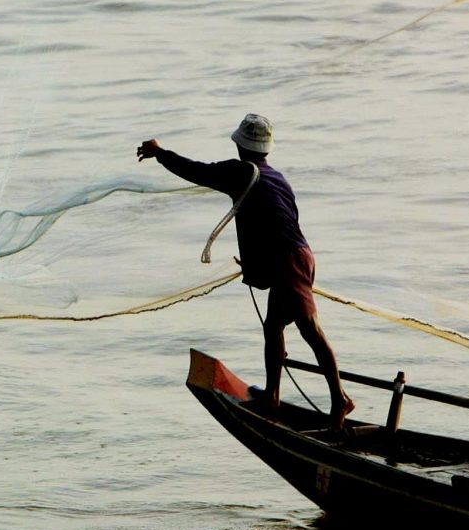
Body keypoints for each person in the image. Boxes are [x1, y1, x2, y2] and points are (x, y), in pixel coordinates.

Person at [137, 113, 354, 426]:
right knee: (273, 326)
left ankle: (340, 399)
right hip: (298, 256)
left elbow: (197, 171)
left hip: (289, 262)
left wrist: (160, 154)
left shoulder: (240, 172)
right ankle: (273, 395)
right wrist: (258, 262)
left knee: (310, 329)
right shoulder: (277, 177)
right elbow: (280, 220)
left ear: (241, 146)